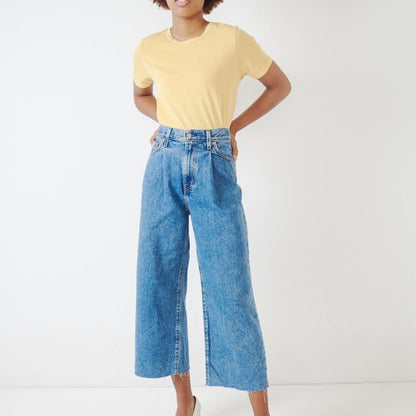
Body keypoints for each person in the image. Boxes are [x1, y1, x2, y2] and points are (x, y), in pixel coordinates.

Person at [132, 1, 291, 415]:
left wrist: (232, 126)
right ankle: (185, 401)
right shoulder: (148, 47)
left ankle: (261, 410)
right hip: (163, 162)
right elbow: (141, 95)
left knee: (230, 286)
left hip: (213, 159)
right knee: (159, 281)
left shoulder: (232, 40)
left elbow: (279, 85)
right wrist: (168, 120)